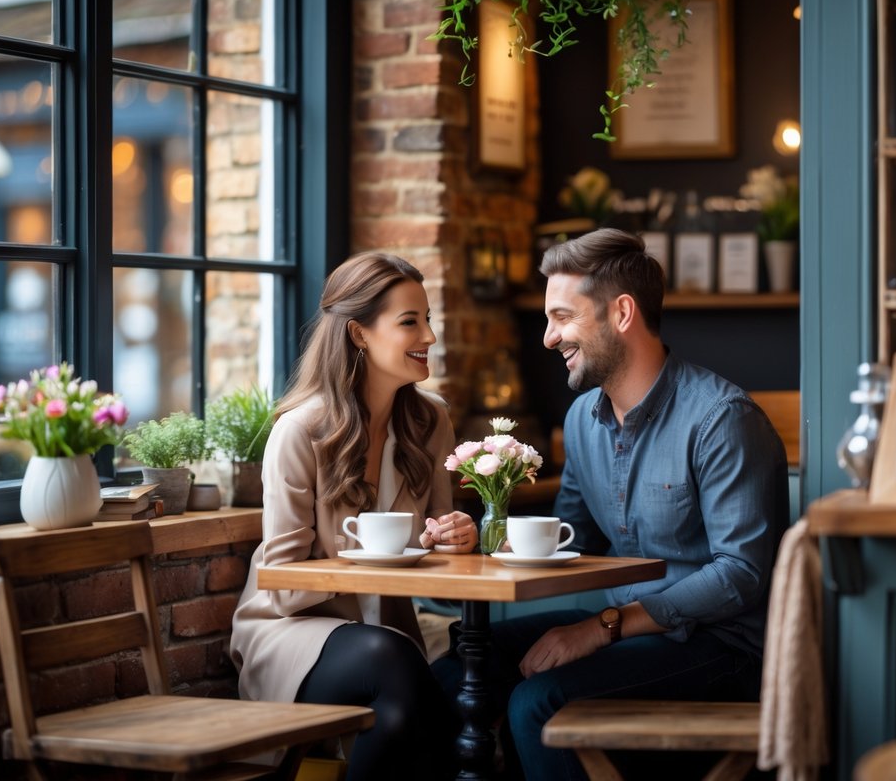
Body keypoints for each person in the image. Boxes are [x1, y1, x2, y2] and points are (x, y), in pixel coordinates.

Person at [435, 228, 788, 780]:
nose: (548, 338)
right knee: (459, 667)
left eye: (562, 317)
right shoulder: (582, 420)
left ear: (621, 313)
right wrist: (486, 529)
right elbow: (575, 535)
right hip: (625, 628)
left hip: (719, 646)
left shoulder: (722, 418)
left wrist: (602, 626)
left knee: (539, 702)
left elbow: (740, 574)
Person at [228, 252, 478, 781]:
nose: (429, 336)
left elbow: (443, 559)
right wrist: (377, 558)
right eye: (410, 321)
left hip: (386, 639)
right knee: (408, 680)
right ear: (359, 334)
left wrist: (455, 538)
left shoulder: (431, 422)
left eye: (427, 319)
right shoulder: (300, 431)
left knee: (408, 711)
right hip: (292, 635)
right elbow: (284, 589)